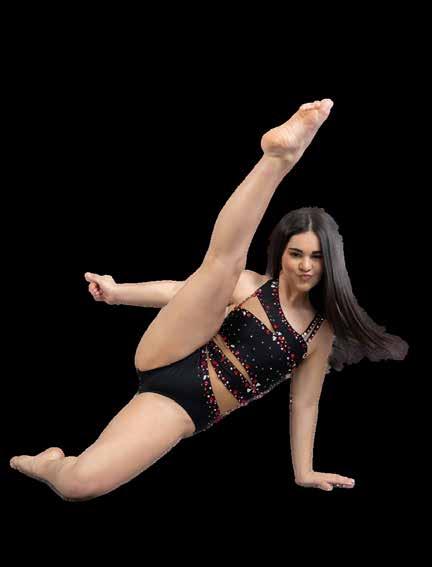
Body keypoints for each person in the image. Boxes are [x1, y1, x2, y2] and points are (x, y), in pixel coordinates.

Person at [8, 99, 408, 501]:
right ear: (282, 255)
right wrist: (117, 294)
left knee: (78, 485)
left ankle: (45, 463)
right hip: (172, 350)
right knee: (222, 266)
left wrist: (304, 471)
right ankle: (277, 158)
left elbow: (304, 404)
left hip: (183, 406)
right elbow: (178, 293)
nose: (305, 265)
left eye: (316, 257)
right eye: (296, 254)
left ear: (330, 263)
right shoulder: (251, 284)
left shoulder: (318, 335)